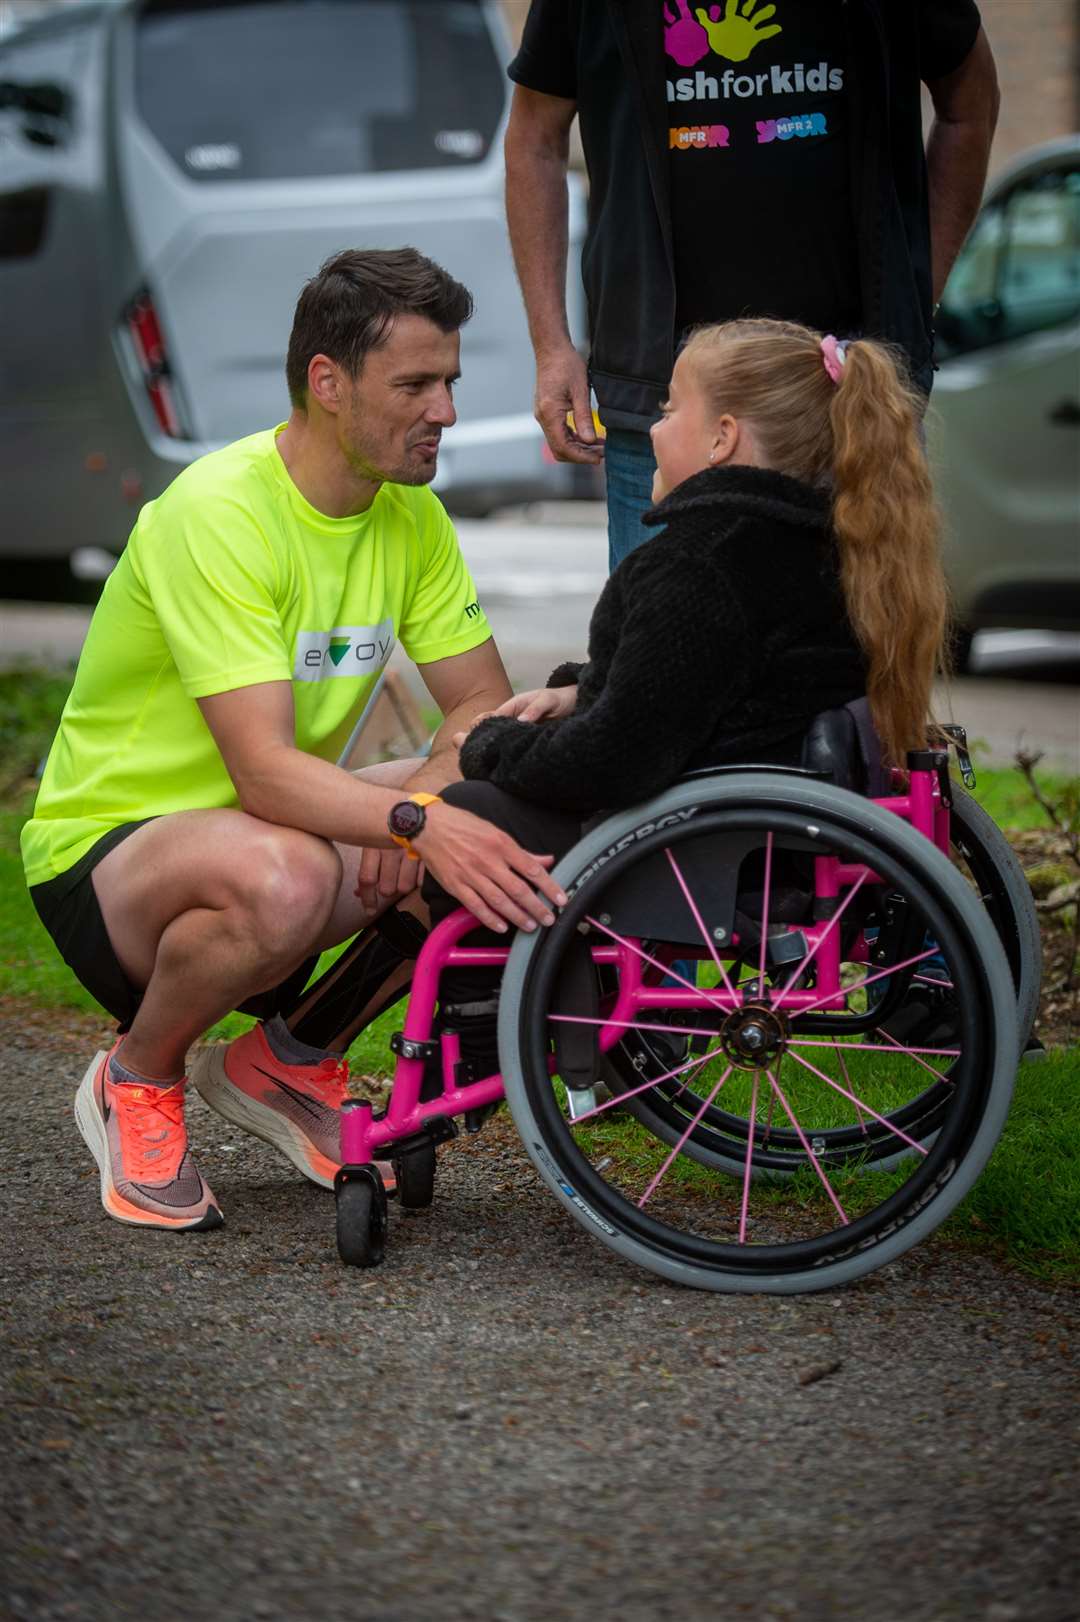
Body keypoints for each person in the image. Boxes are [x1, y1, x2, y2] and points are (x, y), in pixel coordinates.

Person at [22, 248, 566, 1233]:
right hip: (113, 854)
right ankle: (135, 1075)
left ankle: (285, 1056)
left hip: (272, 826)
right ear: (327, 381)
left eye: (449, 381)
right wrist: (410, 820)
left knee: (502, 803)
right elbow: (262, 769)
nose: (444, 409)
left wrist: (440, 804)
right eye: (414, 383)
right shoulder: (219, 511)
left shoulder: (412, 515)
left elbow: (481, 709)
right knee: (290, 877)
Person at [420, 317, 948, 1039]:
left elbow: (615, 759)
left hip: (703, 850)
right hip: (783, 829)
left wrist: (494, 743)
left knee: (464, 810)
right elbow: (725, 679)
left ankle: (485, 1034)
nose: (654, 426)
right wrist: (583, 687)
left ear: (722, 437)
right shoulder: (829, 545)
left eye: (669, 409)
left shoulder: (701, 564)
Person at [504, 0, 1000, 568]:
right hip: (659, 409)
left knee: (856, 651)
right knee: (663, 647)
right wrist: (551, 345)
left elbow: (971, 104)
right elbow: (534, 139)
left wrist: (915, 290)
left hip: (847, 398)